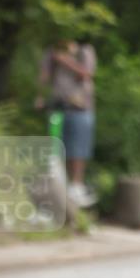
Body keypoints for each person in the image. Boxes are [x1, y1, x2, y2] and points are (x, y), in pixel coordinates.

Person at [35, 38, 97, 208]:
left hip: (80, 107)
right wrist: (40, 96)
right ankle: (57, 184)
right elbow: (44, 74)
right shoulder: (52, 50)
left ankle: (76, 186)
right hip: (57, 107)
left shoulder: (84, 50)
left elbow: (86, 74)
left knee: (78, 149)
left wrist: (65, 60)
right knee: (55, 147)